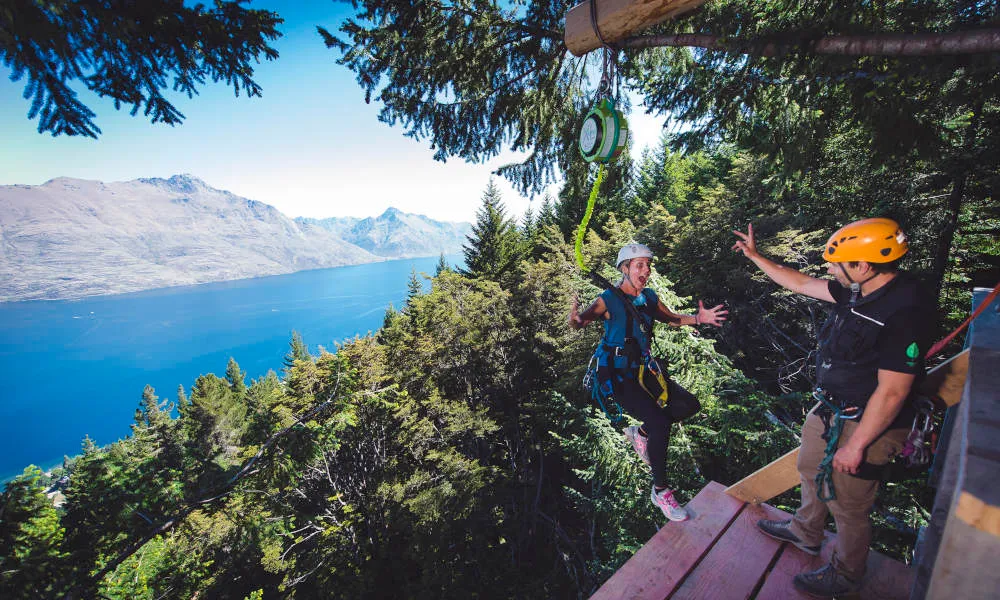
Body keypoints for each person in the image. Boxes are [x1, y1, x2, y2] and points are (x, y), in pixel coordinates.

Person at [732, 218, 934, 597]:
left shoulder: (903, 313)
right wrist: (756, 256)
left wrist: (856, 446)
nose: (827, 267)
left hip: (869, 422)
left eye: (835, 262)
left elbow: (892, 392)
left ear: (863, 266)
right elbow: (799, 282)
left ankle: (847, 574)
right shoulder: (859, 290)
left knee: (848, 503)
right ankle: (805, 531)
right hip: (831, 407)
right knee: (809, 467)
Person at [569, 243, 727, 521]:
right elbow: (582, 321)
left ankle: (640, 434)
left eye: (648, 265)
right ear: (625, 269)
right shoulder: (608, 299)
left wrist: (698, 318)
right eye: (639, 265)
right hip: (618, 377)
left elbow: (673, 319)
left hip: (644, 372)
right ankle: (661, 491)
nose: (646, 270)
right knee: (660, 423)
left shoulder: (649, 298)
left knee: (689, 405)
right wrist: (575, 320)